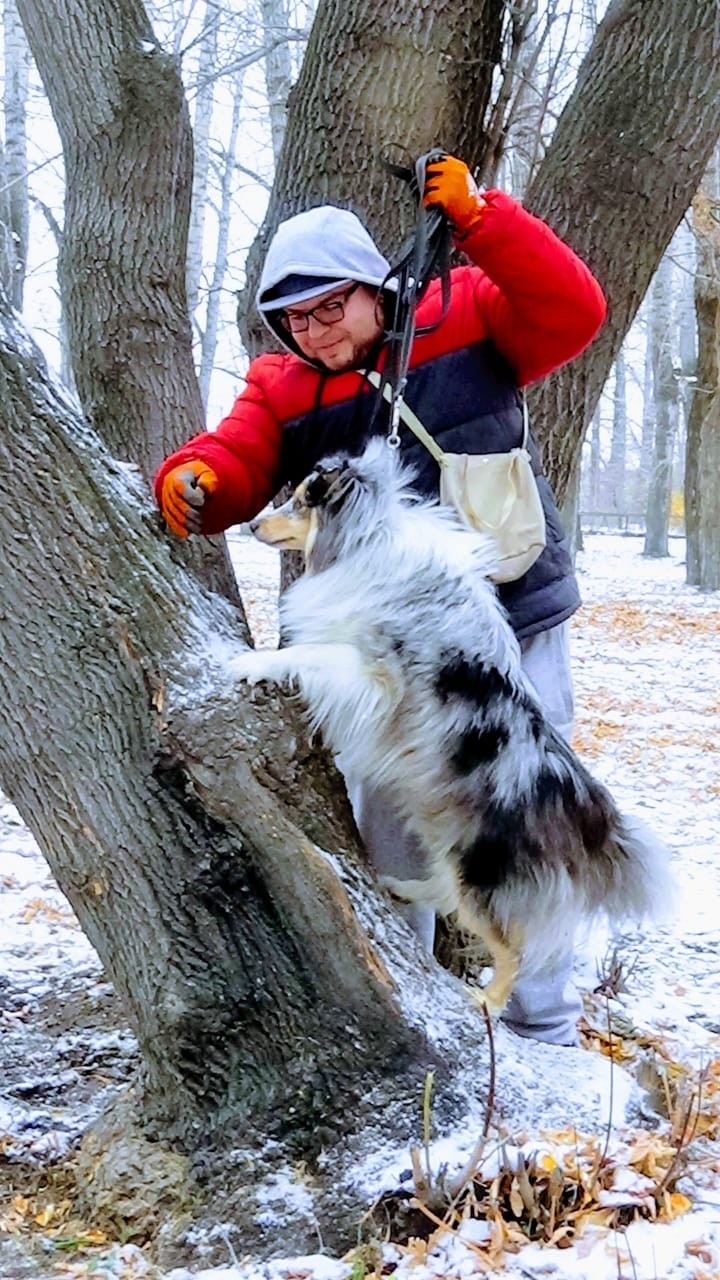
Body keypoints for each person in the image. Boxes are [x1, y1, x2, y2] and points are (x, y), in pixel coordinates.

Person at [155, 154, 607, 1046]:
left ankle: (545, 1023)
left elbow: (574, 311)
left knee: (528, 810)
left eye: (333, 305)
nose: (317, 331)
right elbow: (239, 459)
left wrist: (483, 218)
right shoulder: (282, 387)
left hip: (510, 615)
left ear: (375, 286)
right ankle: (406, 1009)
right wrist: (194, 476)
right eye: (296, 316)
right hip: (386, 656)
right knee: (394, 820)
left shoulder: (468, 311)